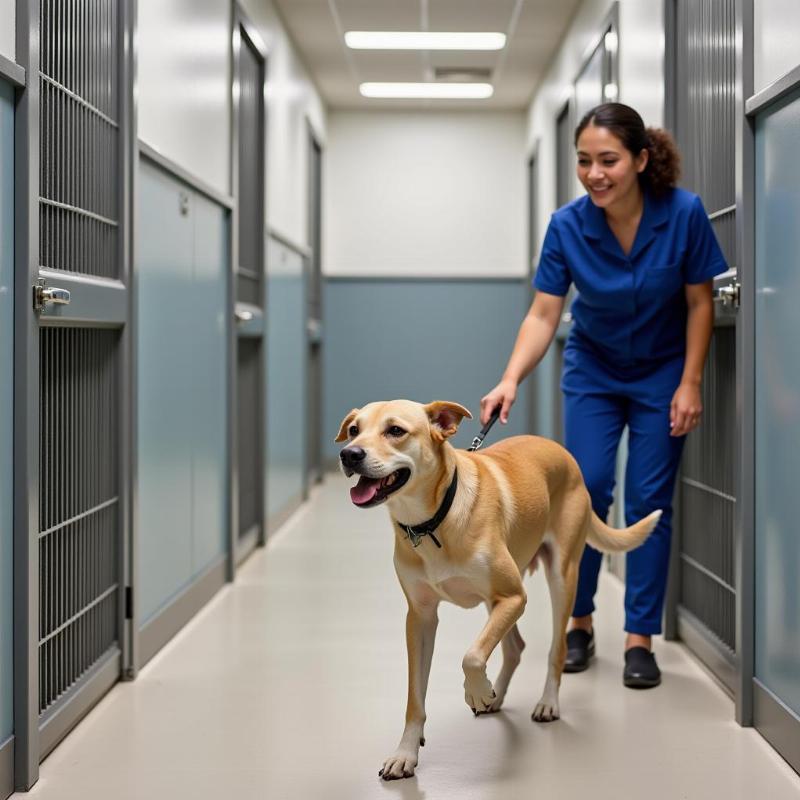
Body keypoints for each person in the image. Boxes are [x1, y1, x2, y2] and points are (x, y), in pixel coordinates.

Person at [480, 103, 727, 688]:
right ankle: (579, 623)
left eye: (608, 160)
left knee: (648, 499)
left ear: (641, 160)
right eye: (585, 161)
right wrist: (511, 376)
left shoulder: (683, 213)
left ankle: (639, 637)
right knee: (582, 490)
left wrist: (690, 380)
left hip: (663, 370)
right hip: (592, 367)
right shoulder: (568, 225)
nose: (595, 173)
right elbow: (545, 313)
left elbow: (700, 303)